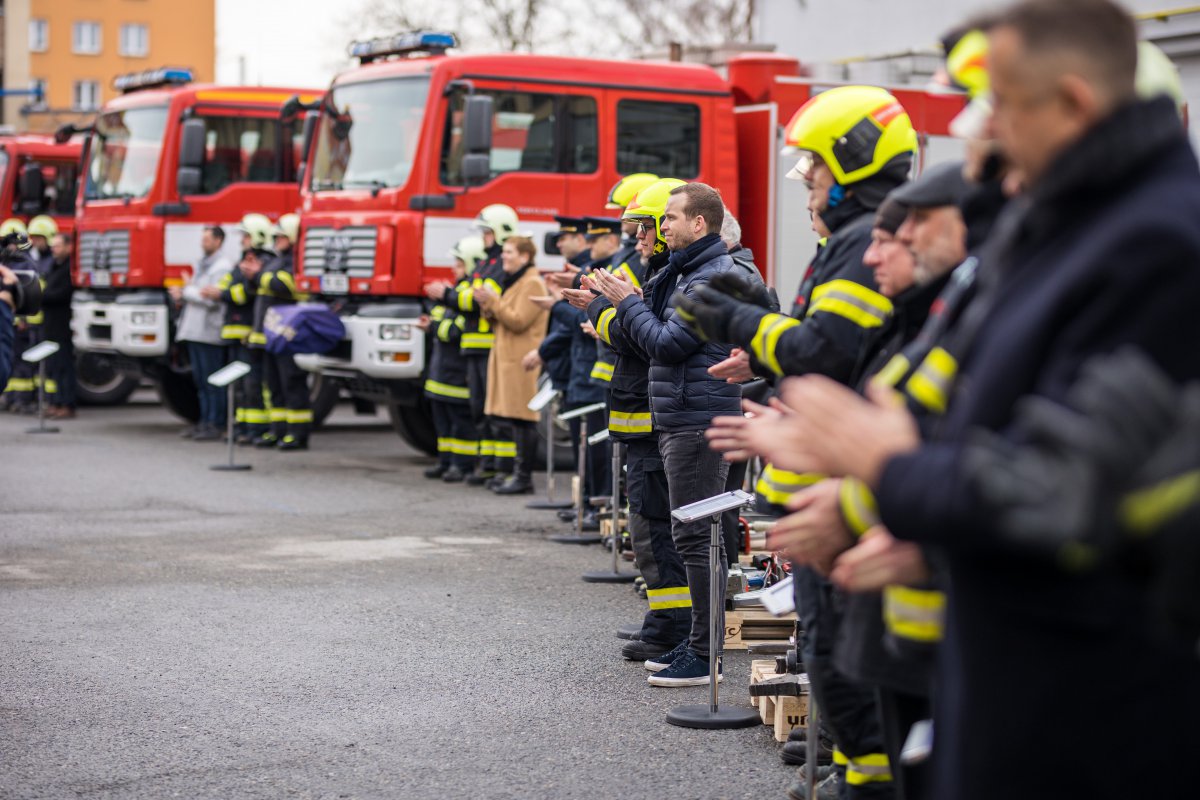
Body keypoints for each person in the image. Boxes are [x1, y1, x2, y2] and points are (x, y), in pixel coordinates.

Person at [750, 3, 1200, 798]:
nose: (979, 132)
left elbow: (1064, 489)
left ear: (1073, 104)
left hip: (1085, 714)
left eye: (1000, 106)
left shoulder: (1155, 245)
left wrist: (883, 464)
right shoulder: (1068, 229)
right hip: (1013, 678)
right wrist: (913, 527)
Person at [588, 182, 739, 687]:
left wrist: (627, 301)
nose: (662, 225)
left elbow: (667, 345)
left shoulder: (711, 276)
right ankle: (696, 646)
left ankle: (703, 654)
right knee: (691, 537)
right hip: (684, 416)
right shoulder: (690, 271)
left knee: (697, 540)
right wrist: (616, 307)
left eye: (671, 217)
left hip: (697, 419)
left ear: (700, 223)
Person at [581, 177, 692, 662]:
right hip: (642, 416)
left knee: (656, 525)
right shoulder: (659, 274)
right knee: (647, 524)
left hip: (653, 419)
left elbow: (644, 340)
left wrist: (604, 312)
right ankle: (666, 621)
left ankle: (673, 627)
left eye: (647, 227)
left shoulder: (667, 277)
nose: (640, 238)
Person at [427, 204, 520, 486]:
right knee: (480, 408)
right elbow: (469, 297)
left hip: (488, 346)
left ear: (502, 232)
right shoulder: (485, 263)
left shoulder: (497, 267)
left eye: (488, 232)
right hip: (474, 347)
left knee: (493, 410)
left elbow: (476, 300)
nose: (484, 237)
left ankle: (500, 467)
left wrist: (447, 294)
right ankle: (489, 465)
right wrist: (457, 295)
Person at [476, 235, 548, 495]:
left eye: (509, 252)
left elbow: (518, 321)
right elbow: (501, 319)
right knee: (512, 419)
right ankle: (513, 473)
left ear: (525, 257)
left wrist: (493, 300)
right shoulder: (518, 281)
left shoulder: (532, 284)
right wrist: (487, 304)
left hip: (522, 362)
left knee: (524, 420)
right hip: (508, 360)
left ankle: (523, 477)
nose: (504, 257)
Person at [423, 236, 484, 483]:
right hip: (440, 371)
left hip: (456, 373)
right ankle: (446, 461)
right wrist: (434, 323)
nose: (454, 268)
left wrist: (434, 326)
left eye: (459, 264)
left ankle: (463, 465)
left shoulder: (466, 296)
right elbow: (438, 319)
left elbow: (455, 331)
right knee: (443, 423)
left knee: (461, 423)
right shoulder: (453, 293)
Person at [253, 213, 311, 451]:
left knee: (292, 383)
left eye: (281, 236)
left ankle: (298, 433)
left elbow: (288, 285)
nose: (277, 240)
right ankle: (278, 430)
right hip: (271, 332)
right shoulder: (278, 260)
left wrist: (259, 275)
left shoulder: (297, 261)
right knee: (274, 384)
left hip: (288, 333)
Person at [210, 216, 269, 444]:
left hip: (246, 333)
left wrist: (224, 293)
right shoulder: (242, 262)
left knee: (252, 384)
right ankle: (241, 427)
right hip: (233, 333)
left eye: (246, 235)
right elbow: (225, 285)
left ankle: (255, 429)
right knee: (239, 387)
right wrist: (224, 291)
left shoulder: (260, 263)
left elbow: (242, 294)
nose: (242, 240)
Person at [171, 226, 234, 440]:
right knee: (201, 381)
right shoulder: (203, 265)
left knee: (212, 381)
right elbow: (200, 292)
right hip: (195, 331)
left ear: (218, 241)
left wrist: (186, 291)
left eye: (207, 239)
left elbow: (209, 298)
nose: (202, 243)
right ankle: (204, 421)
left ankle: (216, 423)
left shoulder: (222, 267)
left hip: (209, 332)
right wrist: (190, 291)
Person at [1, 219, 37, 413]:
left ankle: (22, 400)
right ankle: (11, 397)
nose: (9, 247)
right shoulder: (4, 264)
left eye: (11, 242)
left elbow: (30, 294)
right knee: (11, 361)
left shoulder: (26, 263)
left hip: (21, 322)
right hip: (7, 319)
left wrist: (23, 319)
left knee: (21, 362)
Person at [41, 233, 78, 419]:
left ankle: (67, 404)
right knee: (53, 368)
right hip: (50, 326)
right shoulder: (54, 267)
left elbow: (62, 294)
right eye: (53, 246)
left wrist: (40, 297)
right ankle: (56, 402)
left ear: (68, 247)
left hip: (62, 326)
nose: (53, 249)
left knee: (64, 367)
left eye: (57, 246)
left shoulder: (69, 270)